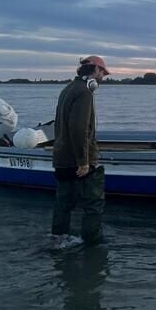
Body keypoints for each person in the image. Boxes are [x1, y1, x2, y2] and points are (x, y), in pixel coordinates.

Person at [50, 55, 110, 249]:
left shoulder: (67, 89)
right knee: (93, 203)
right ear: (94, 71)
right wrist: (83, 161)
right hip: (78, 161)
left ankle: (58, 238)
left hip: (61, 157)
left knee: (63, 202)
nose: (103, 76)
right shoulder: (84, 92)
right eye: (102, 72)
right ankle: (93, 244)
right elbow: (79, 129)